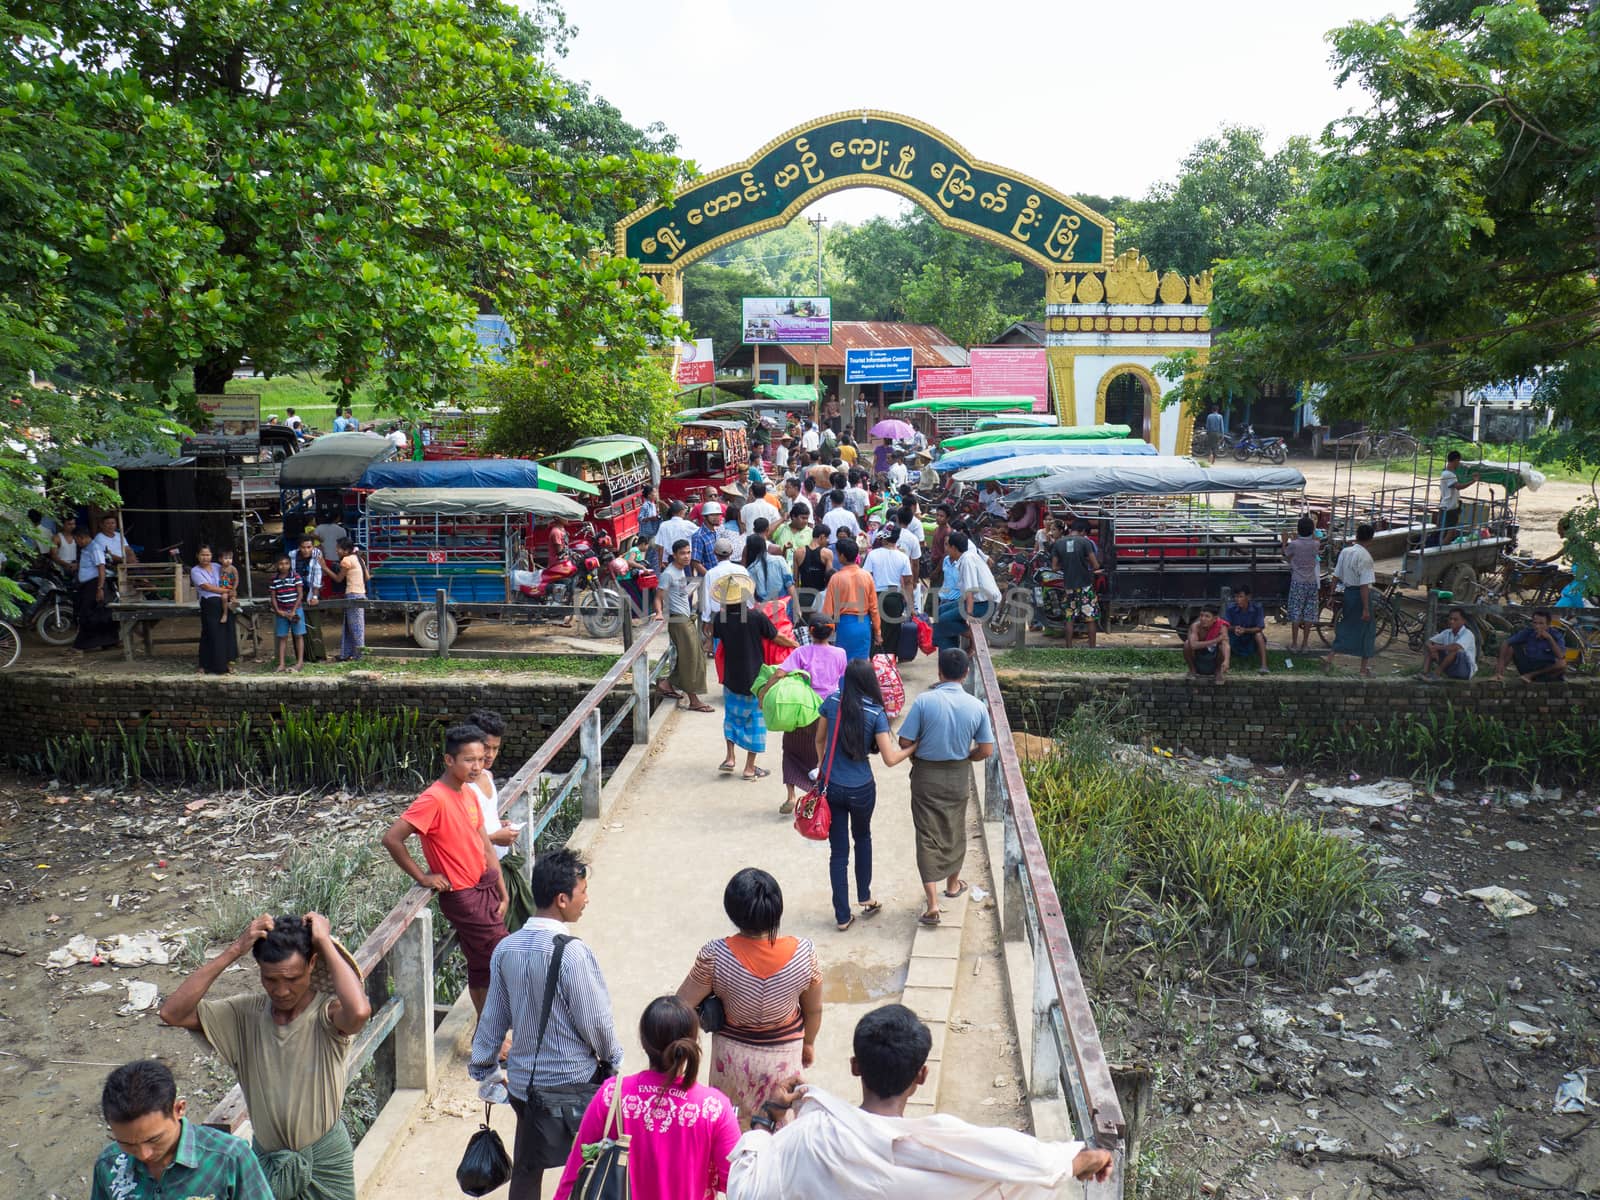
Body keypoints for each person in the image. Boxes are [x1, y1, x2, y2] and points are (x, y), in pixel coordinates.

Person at [725, 1004, 1113, 1198]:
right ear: (921, 1076)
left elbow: (744, 1188)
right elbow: (1022, 1157)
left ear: (855, 1067)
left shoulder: (809, 1135)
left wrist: (765, 1120)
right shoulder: (945, 1143)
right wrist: (1078, 1159)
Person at [157, 913, 371, 1200]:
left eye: (292, 979)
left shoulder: (327, 1015)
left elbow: (358, 1011)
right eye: (270, 979)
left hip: (325, 1161)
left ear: (312, 964)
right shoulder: (244, 1016)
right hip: (267, 1161)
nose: (281, 991)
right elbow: (172, 1012)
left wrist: (322, 940)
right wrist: (235, 950)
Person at [470, 848, 623, 1200]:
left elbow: (493, 1019)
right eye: (582, 891)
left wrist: (485, 1069)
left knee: (527, 1169)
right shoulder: (573, 953)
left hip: (526, 1088)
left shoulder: (506, 949)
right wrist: (613, 1062)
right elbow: (596, 1022)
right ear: (562, 899)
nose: (586, 899)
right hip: (575, 1087)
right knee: (589, 1163)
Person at [551, 996, 740, 1200]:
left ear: (643, 1042)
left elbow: (575, 1172)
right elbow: (737, 1184)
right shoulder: (713, 1108)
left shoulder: (612, 1096)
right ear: (692, 1043)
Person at [675, 869, 822, 1127]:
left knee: (729, 1130)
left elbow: (681, 1005)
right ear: (776, 909)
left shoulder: (715, 955)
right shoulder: (804, 954)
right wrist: (808, 1043)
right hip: (784, 1061)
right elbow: (813, 1010)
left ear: (731, 910)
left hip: (731, 1062)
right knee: (780, 1130)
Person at [380, 725, 509, 1012]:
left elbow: (484, 843)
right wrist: (423, 877)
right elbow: (392, 838)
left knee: (481, 964)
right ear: (449, 760)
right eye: (468, 760)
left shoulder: (469, 792)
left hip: (484, 884)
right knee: (505, 956)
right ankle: (495, 1033)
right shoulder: (434, 798)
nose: (477, 766)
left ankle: (486, 1033)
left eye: (480, 758)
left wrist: (502, 889)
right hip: (463, 894)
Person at [816, 659, 917, 931]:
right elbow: (890, 758)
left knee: (838, 853)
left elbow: (819, 739)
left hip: (832, 787)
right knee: (862, 838)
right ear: (870, 682)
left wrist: (824, 765)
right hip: (861, 788)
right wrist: (914, 747)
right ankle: (865, 896)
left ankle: (841, 916)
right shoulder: (875, 712)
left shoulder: (832, 702)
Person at [897, 648, 995, 927]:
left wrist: (918, 752)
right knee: (954, 830)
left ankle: (932, 904)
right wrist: (968, 757)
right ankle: (952, 885)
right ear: (965, 674)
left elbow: (904, 742)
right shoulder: (976, 706)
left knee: (927, 835)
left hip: (926, 776)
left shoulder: (925, 702)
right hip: (957, 776)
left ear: (938, 672)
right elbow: (986, 750)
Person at [91, 1059, 274, 1200]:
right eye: (127, 1144)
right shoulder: (108, 1165)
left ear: (179, 1109)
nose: (143, 1154)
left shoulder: (230, 1159)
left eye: (154, 1140)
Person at [712, 574, 797, 780]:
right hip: (755, 678)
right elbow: (776, 637)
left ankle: (730, 757)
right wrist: (795, 646)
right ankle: (750, 768)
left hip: (731, 677)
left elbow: (715, 639)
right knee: (756, 722)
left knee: (731, 717)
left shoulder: (719, 619)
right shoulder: (756, 617)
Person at [761, 618, 848, 816]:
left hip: (802, 709)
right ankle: (819, 798)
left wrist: (764, 692)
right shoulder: (840, 653)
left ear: (810, 632)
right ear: (831, 632)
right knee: (822, 755)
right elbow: (843, 679)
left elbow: (780, 673)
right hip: (829, 710)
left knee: (791, 750)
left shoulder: (801, 652)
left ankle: (791, 796)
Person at [468, 707, 534, 930]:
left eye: (495, 748)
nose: (490, 755)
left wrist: (498, 824)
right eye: (486, 747)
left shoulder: (487, 775)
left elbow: (483, 817)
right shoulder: (464, 786)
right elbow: (461, 837)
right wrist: (495, 837)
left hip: (501, 866)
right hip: (482, 874)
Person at [656, 539, 713, 713]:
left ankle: (666, 683)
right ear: (674, 555)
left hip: (686, 618)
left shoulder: (681, 571)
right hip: (679, 621)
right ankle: (694, 700)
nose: (687, 556)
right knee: (691, 660)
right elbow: (658, 596)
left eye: (688, 552)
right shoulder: (669, 573)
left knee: (692, 657)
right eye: (682, 553)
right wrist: (658, 613)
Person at [1327, 524, 1378, 678]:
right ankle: (1363, 669)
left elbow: (1336, 575)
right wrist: (1366, 609)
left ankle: (1330, 659)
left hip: (1348, 594)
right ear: (1370, 539)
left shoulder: (1346, 551)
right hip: (1360, 595)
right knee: (1368, 630)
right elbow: (1364, 586)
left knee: (1346, 626)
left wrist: (1331, 594)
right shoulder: (1365, 557)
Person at [821, 538, 879, 661]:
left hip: (844, 626)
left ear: (842, 556)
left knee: (843, 665)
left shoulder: (836, 578)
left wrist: (823, 635)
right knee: (861, 665)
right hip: (864, 625)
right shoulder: (867, 576)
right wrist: (878, 631)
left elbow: (827, 612)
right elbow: (874, 608)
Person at [1050, 519, 1101, 648]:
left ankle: (1069, 648)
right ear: (1083, 531)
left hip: (1069, 586)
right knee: (1090, 618)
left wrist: (1066, 565)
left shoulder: (1058, 543)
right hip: (1085, 585)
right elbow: (1095, 565)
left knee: (1069, 617)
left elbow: (1054, 567)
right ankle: (1092, 648)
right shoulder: (1085, 542)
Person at [863, 524, 913, 654]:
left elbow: (866, 578)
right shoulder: (903, 557)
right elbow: (908, 582)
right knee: (892, 633)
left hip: (876, 596)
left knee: (875, 630)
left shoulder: (873, 555)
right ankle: (889, 665)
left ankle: (874, 662)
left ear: (884, 539)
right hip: (895, 598)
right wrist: (911, 606)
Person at [72, 523, 119, 651]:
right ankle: (108, 641)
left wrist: (100, 588)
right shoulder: (86, 549)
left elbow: (101, 569)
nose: (77, 543)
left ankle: (81, 645)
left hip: (94, 584)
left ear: (81, 537)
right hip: (86, 585)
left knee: (87, 614)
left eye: (77, 540)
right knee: (96, 614)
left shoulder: (95, 548)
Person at [1282, 516, 1322, 653]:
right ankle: (1305, 644)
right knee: (1309, 613)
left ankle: (1294, 644)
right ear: (1311, 530)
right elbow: (1316, 538)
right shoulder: (1315, 544)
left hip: (1297, 581)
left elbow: (1286, 555)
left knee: (1296, 612)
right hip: (1311, 582)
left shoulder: (1294, 544)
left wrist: (1284, 541)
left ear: (1298, 529)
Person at [1495, 608, 1568, 682]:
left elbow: (1560, 656)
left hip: (1545, 668)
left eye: (1541, 623)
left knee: (1562, 664)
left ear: (1548, 625)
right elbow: (1506, 642)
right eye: (1535, 623)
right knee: (1512, 647)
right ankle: (1499, 675)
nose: (1537, 626)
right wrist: (1501, 662)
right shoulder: (1529, 631)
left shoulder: (1556, 635)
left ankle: (1531, 676)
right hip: (1530, 664)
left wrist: (1549, 639)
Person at [324, 537, 366, 661]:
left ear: (346, 550)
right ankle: (347, 653)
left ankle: (360, 655)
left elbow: (338, 579)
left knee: (356, 628)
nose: (337, 551)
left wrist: (325, 567)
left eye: (338, 549)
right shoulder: (359, 559)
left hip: (352, 594)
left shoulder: (346, 560)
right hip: (361, 593)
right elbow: (367, 577)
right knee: (350, 626)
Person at [191, 544, 231, 675]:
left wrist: (229, 588)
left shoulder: (217, 566)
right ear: (197, 556)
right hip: (209, 603)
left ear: (212, 556)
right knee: (209, 633)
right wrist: (225, 591)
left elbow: (228, 576)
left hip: (223, 601)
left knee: (224, 633)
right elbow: (207, 587)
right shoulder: (195, 571)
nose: (205, 558)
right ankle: (204, 665)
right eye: (202, 555)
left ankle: (222, 665)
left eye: (208, 555)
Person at [269, 553, 306, 673]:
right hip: (281, 612)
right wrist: (278, 610)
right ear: (277, 565)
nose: (283, 566)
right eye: (281, 564)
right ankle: (281, 664)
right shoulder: (274, 579)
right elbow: (273, 597)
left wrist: (294, 610)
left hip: (296, 610)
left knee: (298, 635)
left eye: (286, 563)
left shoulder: (295, 576)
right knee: (282, 637)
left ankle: (300, 662)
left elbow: (300, 594)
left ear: (290, 564)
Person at [293, 533, 327, 663]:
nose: (306, 550)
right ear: (299, 547)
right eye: (303, 547)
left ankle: (318, 656)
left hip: (311, 593)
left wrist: (315, 595)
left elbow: (318, 576)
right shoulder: (292, 556)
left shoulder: (317, 555)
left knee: (314, 625)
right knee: (299, 625)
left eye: (309, 547)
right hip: (296, 594)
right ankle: (304, 657)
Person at [1223, 583, 1269, 674]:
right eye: (1236, 597)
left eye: (1240, 597)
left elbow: (1260, 627)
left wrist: (1245, 630)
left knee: (1259, 635)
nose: (1237, 600)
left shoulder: (1257, 608)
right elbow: (1226, 625)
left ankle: (1264, 665)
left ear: (1248, 597)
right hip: (1235, 635)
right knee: (1223, 635)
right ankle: (1224, 664)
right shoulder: (1230, 608)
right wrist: (1234, 628)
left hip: (1250, 636)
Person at [703, 534, 750, 621]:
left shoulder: (710, 574)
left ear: (714, 553)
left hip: (718, 617)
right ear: (731, 552)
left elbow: (706, 599)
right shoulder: (742, 570)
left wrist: (706, 619)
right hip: (739, 615)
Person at [1422, 606, 1477, 681]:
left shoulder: (1468, 634)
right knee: (1431, 647)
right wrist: (1432, 648)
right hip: (1451, 667)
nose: (1452, 621)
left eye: (1455, 619)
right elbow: (1429, 642)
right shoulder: (1447, 632)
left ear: (1463, 621)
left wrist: (1437, 647)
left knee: (1456, 650)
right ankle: (1424, 673)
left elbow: (1456, 647)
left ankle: (1436, 674)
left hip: (1464, 669)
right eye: (1450, 619)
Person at [744, 531, 795, 608]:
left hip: (765, 613)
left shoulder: (750, 570)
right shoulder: (780, 560)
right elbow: (790, 586)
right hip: (784, 609)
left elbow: (753, 599)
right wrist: (797, 608)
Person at [1183, 605, 1231, 682]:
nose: (1203, 619)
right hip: (1198, 656)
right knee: (1187, 644)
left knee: (1222, 645)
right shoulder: (1195, 626)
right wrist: (1216, 640)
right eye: (1201, 615)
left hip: (1214, 658)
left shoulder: (1222, 626)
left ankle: (1218, 672)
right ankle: (1192, 670)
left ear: (1215, 619)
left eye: (1207, 616)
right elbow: (1193, 645)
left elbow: (1226, 644)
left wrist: (1227, 660)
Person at [692, 501, 727, 571]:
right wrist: (709, 576)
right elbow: (695, 562)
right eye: (712, 515)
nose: (716, 517)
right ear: (704, 517)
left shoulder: (717, 531)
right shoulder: (698, 536)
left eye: (718, 514)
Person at [1438, 449, 1463, 539]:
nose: (1459, 464)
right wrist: (1473, 481)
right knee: (1450, 532)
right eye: (1458, 461)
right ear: (1456, 460)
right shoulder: (1449, 475)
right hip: (1450, 507)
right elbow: (1458, 486)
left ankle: (1442, 546)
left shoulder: (1445, 473)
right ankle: (1442, 548)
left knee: (1447, 531)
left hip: (1447, 505)